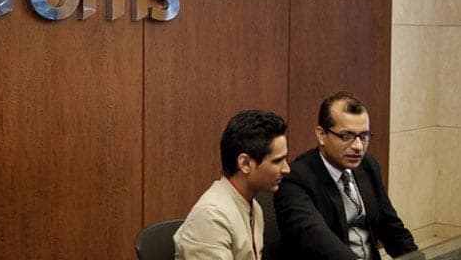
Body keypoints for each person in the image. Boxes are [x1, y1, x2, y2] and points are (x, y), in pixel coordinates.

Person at [274, 91, 418, 260]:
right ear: (321, 135)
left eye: (364, 136)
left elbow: (392, 228)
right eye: (346, 136)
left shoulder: (367, 165)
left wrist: (416, 258)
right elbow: (319, 242)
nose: (358, 146)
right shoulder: (296, 180)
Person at [174, 109, 290, 260]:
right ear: (245, 164)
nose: (286, 169)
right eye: (277, 161)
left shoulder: (254, 207)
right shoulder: (211, 216)